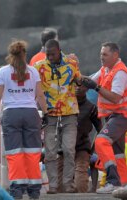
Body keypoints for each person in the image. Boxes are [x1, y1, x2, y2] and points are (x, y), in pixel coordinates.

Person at [0, 40, 48, 199]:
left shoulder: (3, 71)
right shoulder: (33, 71)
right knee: (33, 153)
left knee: (15, 154)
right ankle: (34, 191)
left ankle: (17, 191)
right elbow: (40, 95)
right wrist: (46, 113)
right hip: (31, 114)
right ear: (25, 54)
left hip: (11, 114)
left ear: (10, 55)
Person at [80, 42, 127, 194]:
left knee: (101, 141)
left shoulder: (120, 73)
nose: (101, 57)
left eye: (105, 54)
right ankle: (124, 184)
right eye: (101, 54)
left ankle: (113, 181)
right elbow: (90, 80)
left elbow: (116, 98)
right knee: (118, 152)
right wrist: (74, 75)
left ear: (115, 55)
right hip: (114, 116)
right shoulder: (106, 69)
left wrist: (95, 87)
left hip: (121, 116)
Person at [34, 39, 81, 193]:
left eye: (53, 54)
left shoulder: (72, 64)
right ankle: (53, 186)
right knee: (50, 152)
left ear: (59, 50)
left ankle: (68, 184)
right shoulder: (39, 67)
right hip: (50, 114)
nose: (50, 57)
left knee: (69, 149)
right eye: (47, 54)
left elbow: (78, 81)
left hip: (69, 113)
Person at [74, 84, 102, 193]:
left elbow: (100, 129)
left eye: (81, 86)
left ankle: (88, 192)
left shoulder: (91, 108)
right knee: (62, 180)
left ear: (87, 89)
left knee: (80, 175)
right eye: (75, 85)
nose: (78, 88)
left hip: (82, 147)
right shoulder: (63, 106)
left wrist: (93, 148)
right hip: (63, 149)